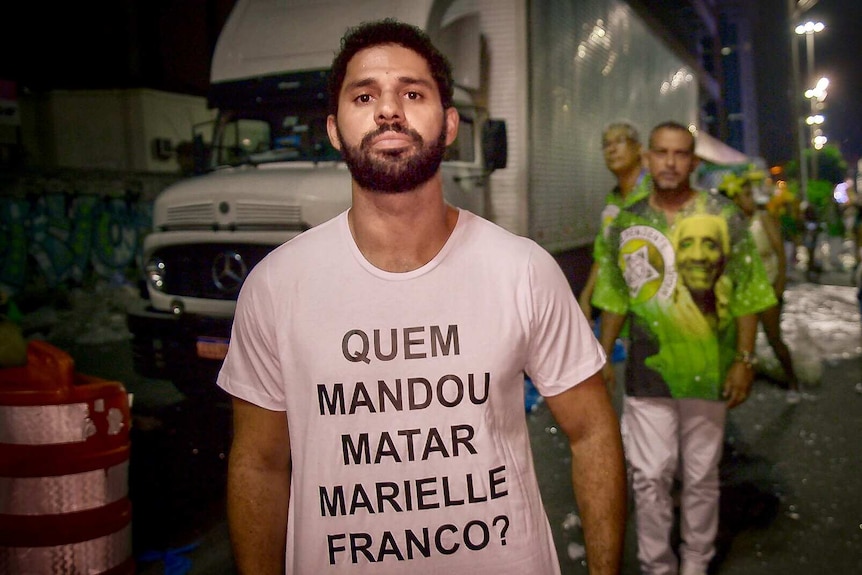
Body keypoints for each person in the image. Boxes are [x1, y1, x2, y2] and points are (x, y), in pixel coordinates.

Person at [217, 19, 626, 575]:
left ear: (450, 123)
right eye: (365, 96)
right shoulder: (275, 287)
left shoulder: (522, 270)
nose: (389, 111)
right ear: (335, 129)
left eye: (412, 93)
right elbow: (260, 465)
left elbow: (593, 428)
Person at [592, 121, 776, 575]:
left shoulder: (723, 215)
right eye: (662, 153)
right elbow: (615, 295)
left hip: (708, 370)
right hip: (645, 372)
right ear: (648, 158)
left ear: (692, 162)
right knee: (649, 476)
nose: (670, 162)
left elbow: (750, 293)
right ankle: (658, 566)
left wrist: (744, 360)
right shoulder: (629, 220)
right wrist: (603, 353)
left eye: (680, 154)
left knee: (700, 477)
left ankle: (696, 561)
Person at [720, 173, 801, 402]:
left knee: (774, 339)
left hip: (768, 288)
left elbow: (780, 253)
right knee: (743, 344)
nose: (750, 199)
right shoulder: (732, 224)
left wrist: (779, 285)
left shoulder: (762, 218)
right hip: (743, 293)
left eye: (750, 194)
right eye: (745, 195)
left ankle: (793, 382)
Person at [578, 121, 651, 323]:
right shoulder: (613, 201)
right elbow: (604, 254)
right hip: (615, 312)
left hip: (651, 313)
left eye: (619, 141)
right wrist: (586, 297)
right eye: (606, 144)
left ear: (639, 148)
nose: (611, 149)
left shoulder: (655, 195)